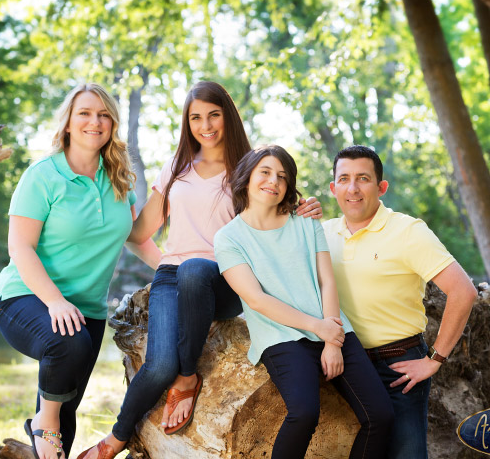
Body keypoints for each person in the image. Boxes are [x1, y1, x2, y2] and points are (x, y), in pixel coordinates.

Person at [77, 82, 322, 459]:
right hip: (172, 279)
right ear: (186, 123)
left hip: (226, 280)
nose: (205, 125)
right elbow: (138, 233)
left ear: (227, 116)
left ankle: (188, 376)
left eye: (213, 115)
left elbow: (281, 212)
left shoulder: (252, 167)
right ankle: (116, 438)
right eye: (195, 117)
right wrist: (153, 251)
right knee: (159, 365)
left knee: (194, 269)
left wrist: (306, 208)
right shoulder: (176, 167)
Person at [0, 83, 161, 459]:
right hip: (25, 297)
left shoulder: (118, 177)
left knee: (65, 415)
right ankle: (42, 422)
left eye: (104, 115)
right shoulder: (42, 176)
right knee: (67, 345)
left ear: (112, 125)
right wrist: (54, 301)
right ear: (68, 122)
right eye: (84, 112)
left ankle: (49, 436)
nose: (94, 121)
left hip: (87, 310)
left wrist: (169, 265)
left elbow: (135, 234)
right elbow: (19, 246)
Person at [213, 145, 393, 459]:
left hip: (333, 327)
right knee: (304, 413)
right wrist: (318, 328)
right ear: (246, 178)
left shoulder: (305, 221)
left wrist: (333, 340)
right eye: (265, 172)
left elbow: (326, 280)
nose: (273, 181)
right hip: (281, 336)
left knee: (381, 416)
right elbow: (256, 299)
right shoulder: (228, 239)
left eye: (282, 176)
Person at [322, 145, 478, 459]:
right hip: (341, 364)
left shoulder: (408, 232)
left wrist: (434, 359)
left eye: (363, 179)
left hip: (398, 366)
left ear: (381, 187)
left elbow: (464, 291)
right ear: (333, 188)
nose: (353, 188)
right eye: (345, 179)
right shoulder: (320, 234)